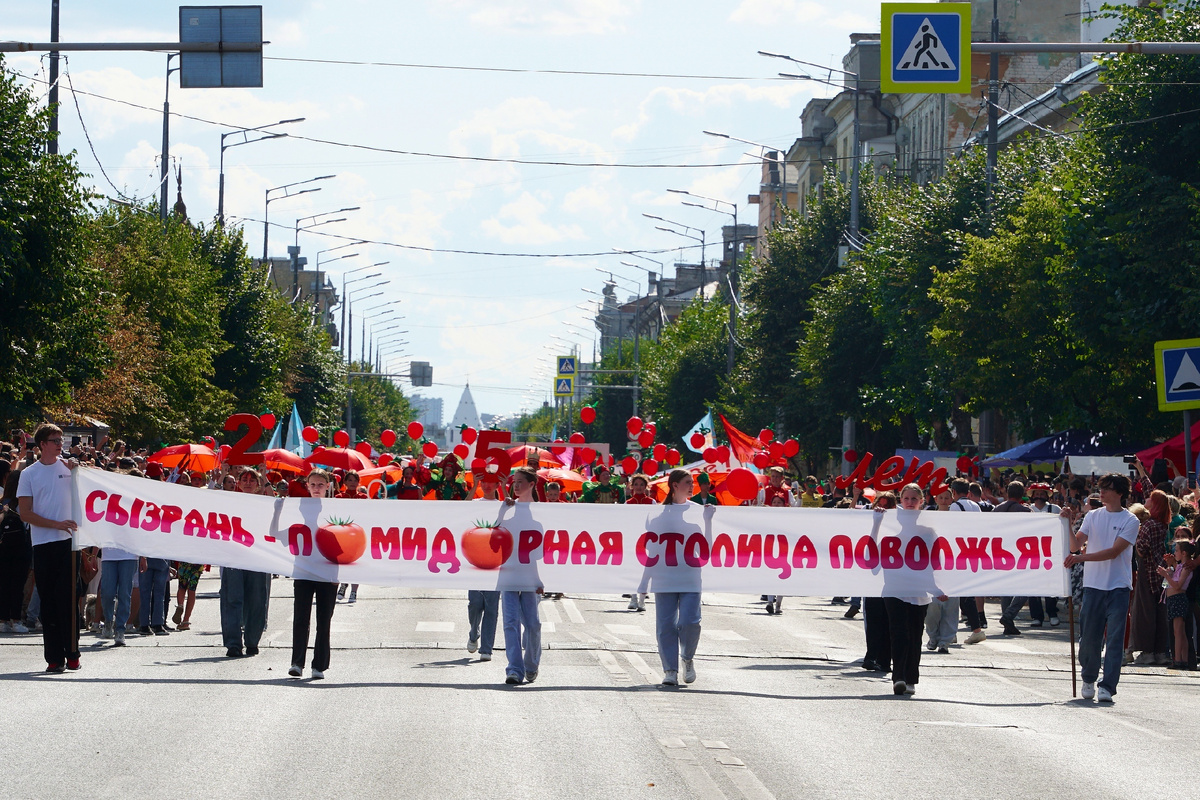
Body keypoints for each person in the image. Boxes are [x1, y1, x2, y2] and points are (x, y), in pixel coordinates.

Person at [1062, 473, 1140, 703]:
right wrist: (1068, 524)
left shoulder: (1131, 520)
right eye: (1100, 488)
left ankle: (1107, 686)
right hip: (1093, 585)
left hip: (1118, 586)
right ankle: (1089, 678)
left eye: (1106, 488)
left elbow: (1114, 552)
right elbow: (1075, 545)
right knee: (1089, 637)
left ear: (1120, 493)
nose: (1101, 492)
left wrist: (1081, 558)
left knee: (1114, 639)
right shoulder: (1093, 516)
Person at [17, 424, 80, 673]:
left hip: (69, 544)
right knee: (49, 601)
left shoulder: (70, 467)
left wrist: (79, 470)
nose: (60, 444)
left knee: (68, 598)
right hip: (43, 544)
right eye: (55, 440)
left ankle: (72, 653)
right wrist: (56, 524)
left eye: (61, 440)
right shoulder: (29, 474)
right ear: (42, 444)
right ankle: (54, 658)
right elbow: (25, 513)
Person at [884, 484, 942, 696]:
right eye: (906, 498)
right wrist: (877, 519)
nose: (909, 502)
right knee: (898, 633)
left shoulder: (928, 532)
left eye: (914, 499)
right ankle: (898, 677)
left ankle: (910, 678)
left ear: (921, 502)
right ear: (900, 500)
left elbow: (934, 562)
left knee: (915, 635)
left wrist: (936, 588)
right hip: (894, 588)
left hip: (919, 590)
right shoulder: (889, 525)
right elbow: (872, 547)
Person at [656, 469, 702, 686]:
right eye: (687, 482)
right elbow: (651, 548)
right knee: (666, 624)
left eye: (692, 482)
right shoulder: (659, 513)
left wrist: (710, 520)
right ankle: (670, 670)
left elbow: (707, 547)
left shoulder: (698, 511)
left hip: (690, 575)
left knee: (689, 622)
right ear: (675, 485)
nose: (692, 486)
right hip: (664, 576)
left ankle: (687, 657)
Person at [219, 468, 272, 658]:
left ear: (258, 484)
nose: (248, 482)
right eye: (244, 479)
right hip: (234, 557)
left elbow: (276, 504)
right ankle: (233, 644)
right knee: (232, 599)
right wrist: (222, 475)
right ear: (239, 483)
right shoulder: (231, 501)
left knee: (257, 600)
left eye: (252, 480)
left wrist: (265, 478)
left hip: (258, 558)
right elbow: (211, 502)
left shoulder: (264, 502)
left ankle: (252, 641)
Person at [291, 470, 338, 680]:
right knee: (301, 618)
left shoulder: (335, 509)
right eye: (312, 484)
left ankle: (319, 665)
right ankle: (296, 663)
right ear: (307, 486)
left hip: (327, 572)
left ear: (327, 486)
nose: (316, 488)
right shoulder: (298, 507)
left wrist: (339, 572)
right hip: (303, 570)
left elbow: (343, 542)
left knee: (324, 621)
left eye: (320, 484)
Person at [501, 467, 542, 685]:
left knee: (533, 624)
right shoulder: (508, 508)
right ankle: (514, 669)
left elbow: (541, 554)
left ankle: (531, 664)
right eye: (514, 481)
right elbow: (493, 536)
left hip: (529, 576)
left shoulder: (540, 513)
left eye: (520, 482)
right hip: (507, 575)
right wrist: (502, 511)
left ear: (531, 484)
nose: (516, 485)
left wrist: (540, 580)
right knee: (510, 622)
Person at [1129, 489, 1171, 665]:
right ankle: (1161, 652)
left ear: (1155, 505)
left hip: (1147, 571)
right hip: (1162, 572)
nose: (1146, 499)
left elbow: (1141, 550)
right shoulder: (1163, 524)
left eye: (1150, 499)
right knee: (1161, 613)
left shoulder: (1148, 525)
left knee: (1145, 613)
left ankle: (1147, 652)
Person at [467, 471, 503, 662]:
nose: (487, 485)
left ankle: (486, 648)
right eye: (484, 482)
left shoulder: (502, 505)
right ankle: (474, 633)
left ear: (497, 485)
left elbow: (512, 512)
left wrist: (506, 491)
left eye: (492, 482)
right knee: (474, 604)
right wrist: (473, 486)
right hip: (475, 561)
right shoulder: (475, 503)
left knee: (491, 606)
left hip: (495, 562)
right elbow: (460, 509)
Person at [1026, 483, 1063, 627]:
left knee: (1050, 584)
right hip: (1032, 550)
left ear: (1047, 496)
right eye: (1037, 494)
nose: (1039, 496)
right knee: (1033, 585)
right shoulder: (1028, 510)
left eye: (1042, 494)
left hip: (1050, 550)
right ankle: (1036, 616)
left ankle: (1052, 613)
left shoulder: (1055, 509)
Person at [0, 471, 32, 634]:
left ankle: (3, 620)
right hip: (21, 547)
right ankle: (16, 620)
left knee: (4, 584)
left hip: (3, 547)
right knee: (18, 584)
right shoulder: (23, 504)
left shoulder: (3, 503)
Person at [1158, 539, 1196, 670]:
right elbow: (1171, 578)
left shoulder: (1186, 568)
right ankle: (1182, 659)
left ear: (1184, 553)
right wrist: (1169, 566)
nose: (1175, 553)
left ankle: (1179, 660)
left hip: (1178, 599)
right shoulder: (1179, 566)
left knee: (1178, 631)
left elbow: (1178, 585)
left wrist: (1165, 575)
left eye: (1177, 550)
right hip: (1173, 600)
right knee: (1179, 631)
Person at [336, 470, 367, 604]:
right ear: (345, 482)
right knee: (342, 562)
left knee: (356, 563)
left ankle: (354, 591)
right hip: (342, 534)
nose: (353, 483)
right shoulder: (339, 497)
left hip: (358, 534)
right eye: (350, 480)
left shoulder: (363, 497)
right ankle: (343, 584)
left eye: (355, 480)